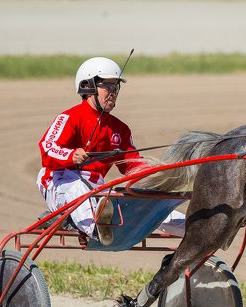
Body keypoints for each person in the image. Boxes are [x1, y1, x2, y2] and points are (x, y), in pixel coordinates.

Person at [37, 56, 185, 245]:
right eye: (107, 86)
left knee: (148, 205)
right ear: (87, 86)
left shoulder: (119, 128)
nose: (113, 92)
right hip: (59, 182)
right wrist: (71, 155)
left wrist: (159, 172)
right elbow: (47, 149)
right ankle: (96, 228)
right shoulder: (69, 117)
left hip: (96, 191)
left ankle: (197, 230)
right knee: (78, 188)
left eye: (116, 87)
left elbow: (132, 165)